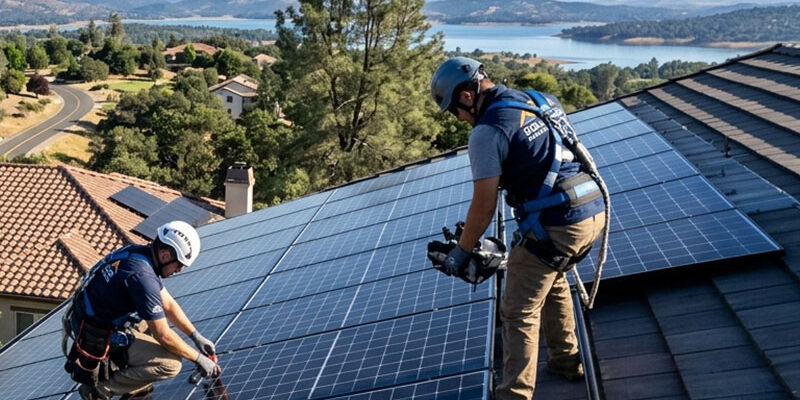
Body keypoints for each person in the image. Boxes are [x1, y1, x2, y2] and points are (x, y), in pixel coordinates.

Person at [430, 57, 607, 399]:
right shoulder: (540, 99)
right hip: (591, 210)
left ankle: (515, 394)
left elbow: (483, 205)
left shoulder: (487, 132)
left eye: (455, 111)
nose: (460, 120)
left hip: (559, 225)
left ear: (466, 97)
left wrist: (461, 253)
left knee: (517, 310)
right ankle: (566, 361)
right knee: (551, 277)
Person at [63, 220, 221, 400]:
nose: (179, 270)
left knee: (157, 322)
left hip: (88, 317)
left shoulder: (140, 254)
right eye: (178, 264)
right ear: (165, 254)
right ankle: (99, 391)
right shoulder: (142, 277)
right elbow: (163, 335)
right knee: (170, 363)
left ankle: (135, 381)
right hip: (96, 334)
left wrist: (195, 336)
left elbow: (167, 303)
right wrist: (198, 359)